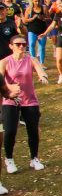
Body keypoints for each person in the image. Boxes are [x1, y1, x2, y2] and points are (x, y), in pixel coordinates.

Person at [1, 35, 48, 174]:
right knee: (10, 131)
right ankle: (9, 159)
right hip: (10, 100)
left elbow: (39, 69)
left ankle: (34, 158)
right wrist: (9, 87)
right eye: (18, 44)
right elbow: (0, 80)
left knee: (33, 130)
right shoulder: (4, 62)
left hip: (29, 100)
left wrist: (43, 76)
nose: (21, 46)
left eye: (24, 44)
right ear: (11, 46)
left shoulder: (31, 59)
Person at [23, 0, 49, 65]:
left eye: (38, 1)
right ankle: (33, 62)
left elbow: (49, 18)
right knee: (31, 45)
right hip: (32, 30)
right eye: (35, 1)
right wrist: (32, 18)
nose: (37, 3)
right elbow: (25, 20)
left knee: (42, 47)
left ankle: (41, 63)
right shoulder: (29, 9)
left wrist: (43, 18)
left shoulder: (44, 8)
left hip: (42, 30)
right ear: (32, 1)